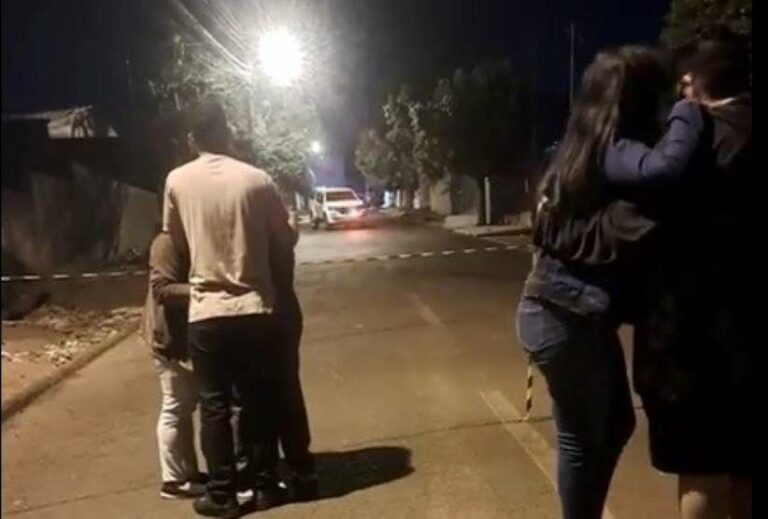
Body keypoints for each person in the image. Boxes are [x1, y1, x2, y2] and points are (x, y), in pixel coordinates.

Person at [516, 46, 674, 519]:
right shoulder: (619, 172)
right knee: (583, 440)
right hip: (567, 321)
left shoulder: (573, 160)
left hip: (555, 315)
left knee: (610, 427)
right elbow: (638, 232)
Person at [603, 33, 752, 518]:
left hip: (693, 341)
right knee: (744, 469)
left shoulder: (693, 141)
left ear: (692, 81)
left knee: (703, 472)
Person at [163, 98, 297, 518]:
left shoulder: (177, 181)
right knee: (258, 400)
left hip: (206, 312)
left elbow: (177, 242)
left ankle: (222, 494)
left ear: (191, 138)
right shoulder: (257, 180)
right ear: (226, 131)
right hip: (255, 308)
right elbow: (284, 239)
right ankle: (265, 486)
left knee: (214, 405)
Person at [139, 232, 206, 500]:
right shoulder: (167, 242)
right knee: (175, 406)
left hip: (176, 337)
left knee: (184, 405)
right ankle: (173, 480)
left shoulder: (184, 237)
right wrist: (201, 289)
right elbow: (161, 289)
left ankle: (187, 473)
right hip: (166, 337)